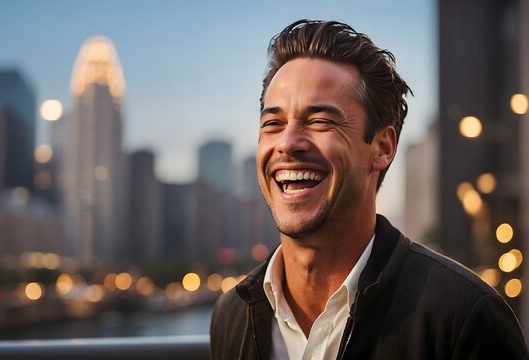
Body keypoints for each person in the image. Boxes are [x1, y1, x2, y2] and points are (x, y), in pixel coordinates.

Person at [210, 19, 528, 360]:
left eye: (321, 121)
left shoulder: (465, 317)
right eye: (273, 123)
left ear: (382, 147)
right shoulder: (233, 314)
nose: (287, 142)